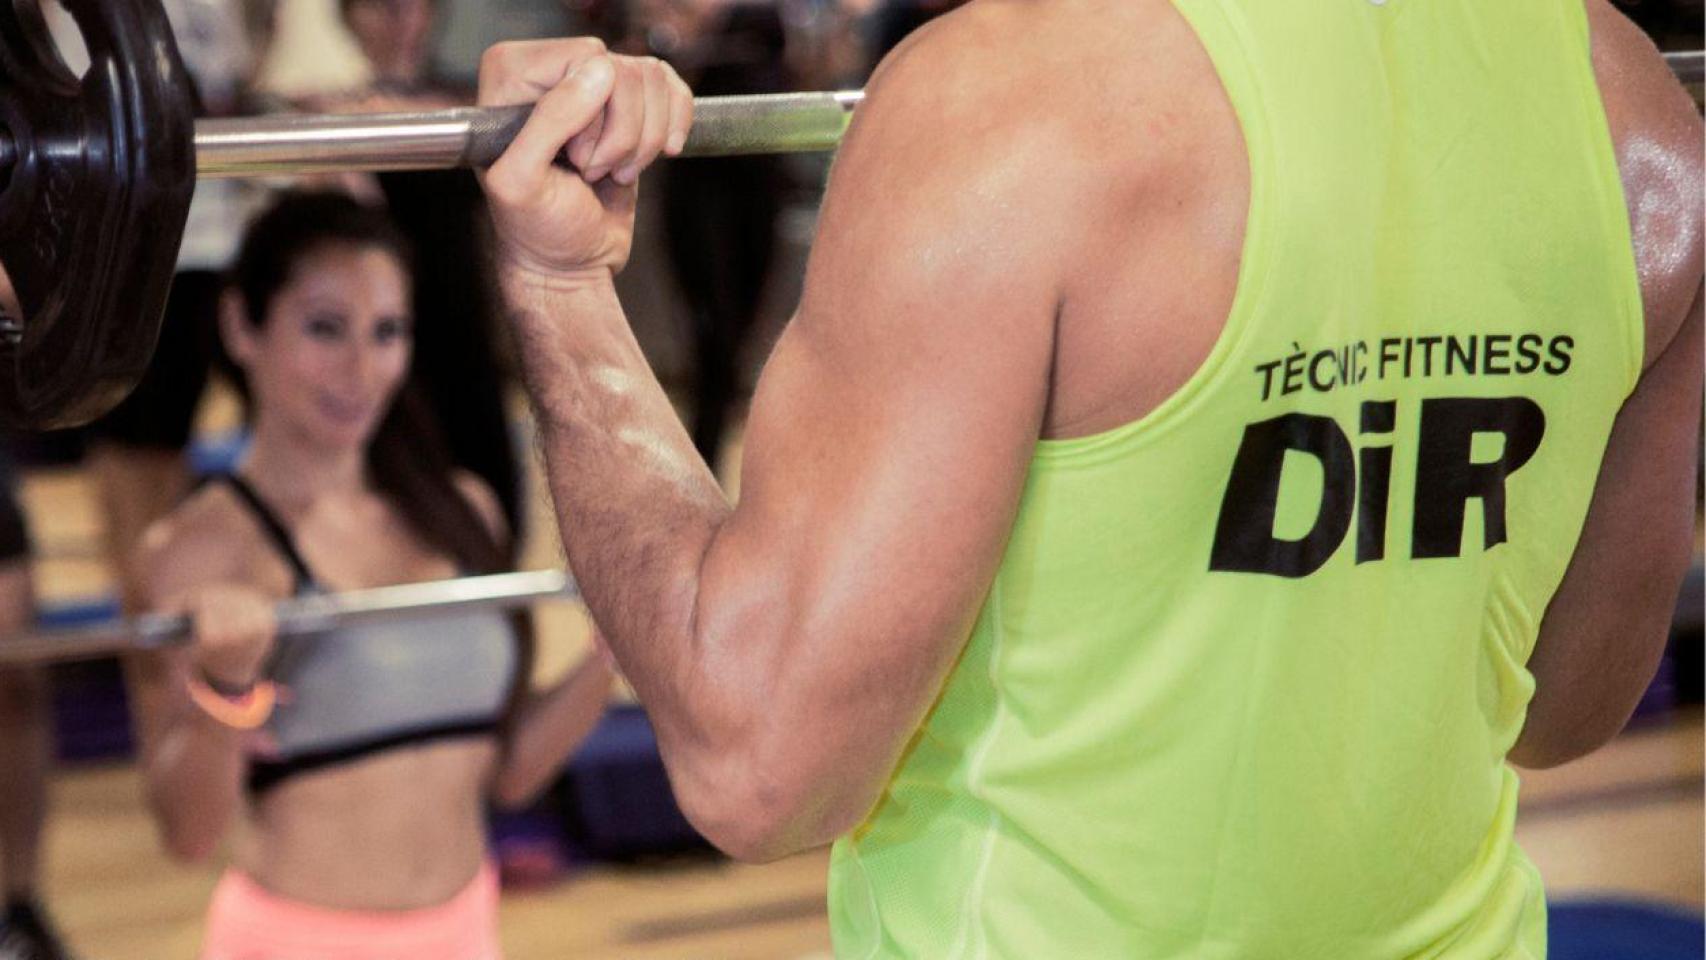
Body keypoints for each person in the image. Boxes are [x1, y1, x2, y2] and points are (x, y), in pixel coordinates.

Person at [472, 0, 1703, 954]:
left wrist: (560, 285)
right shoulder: (1635, 113)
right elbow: (1568, 705)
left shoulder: (1011, 100)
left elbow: (757, 770)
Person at [124, 192, 612, 960]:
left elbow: (508, 773)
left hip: (465, 930)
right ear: (241, 326)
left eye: (386, 332)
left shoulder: (462, 509)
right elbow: (188, 834)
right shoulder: (193, 553)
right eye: (325, 328)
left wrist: (610, 654)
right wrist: (225, 688)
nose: (360, 370)